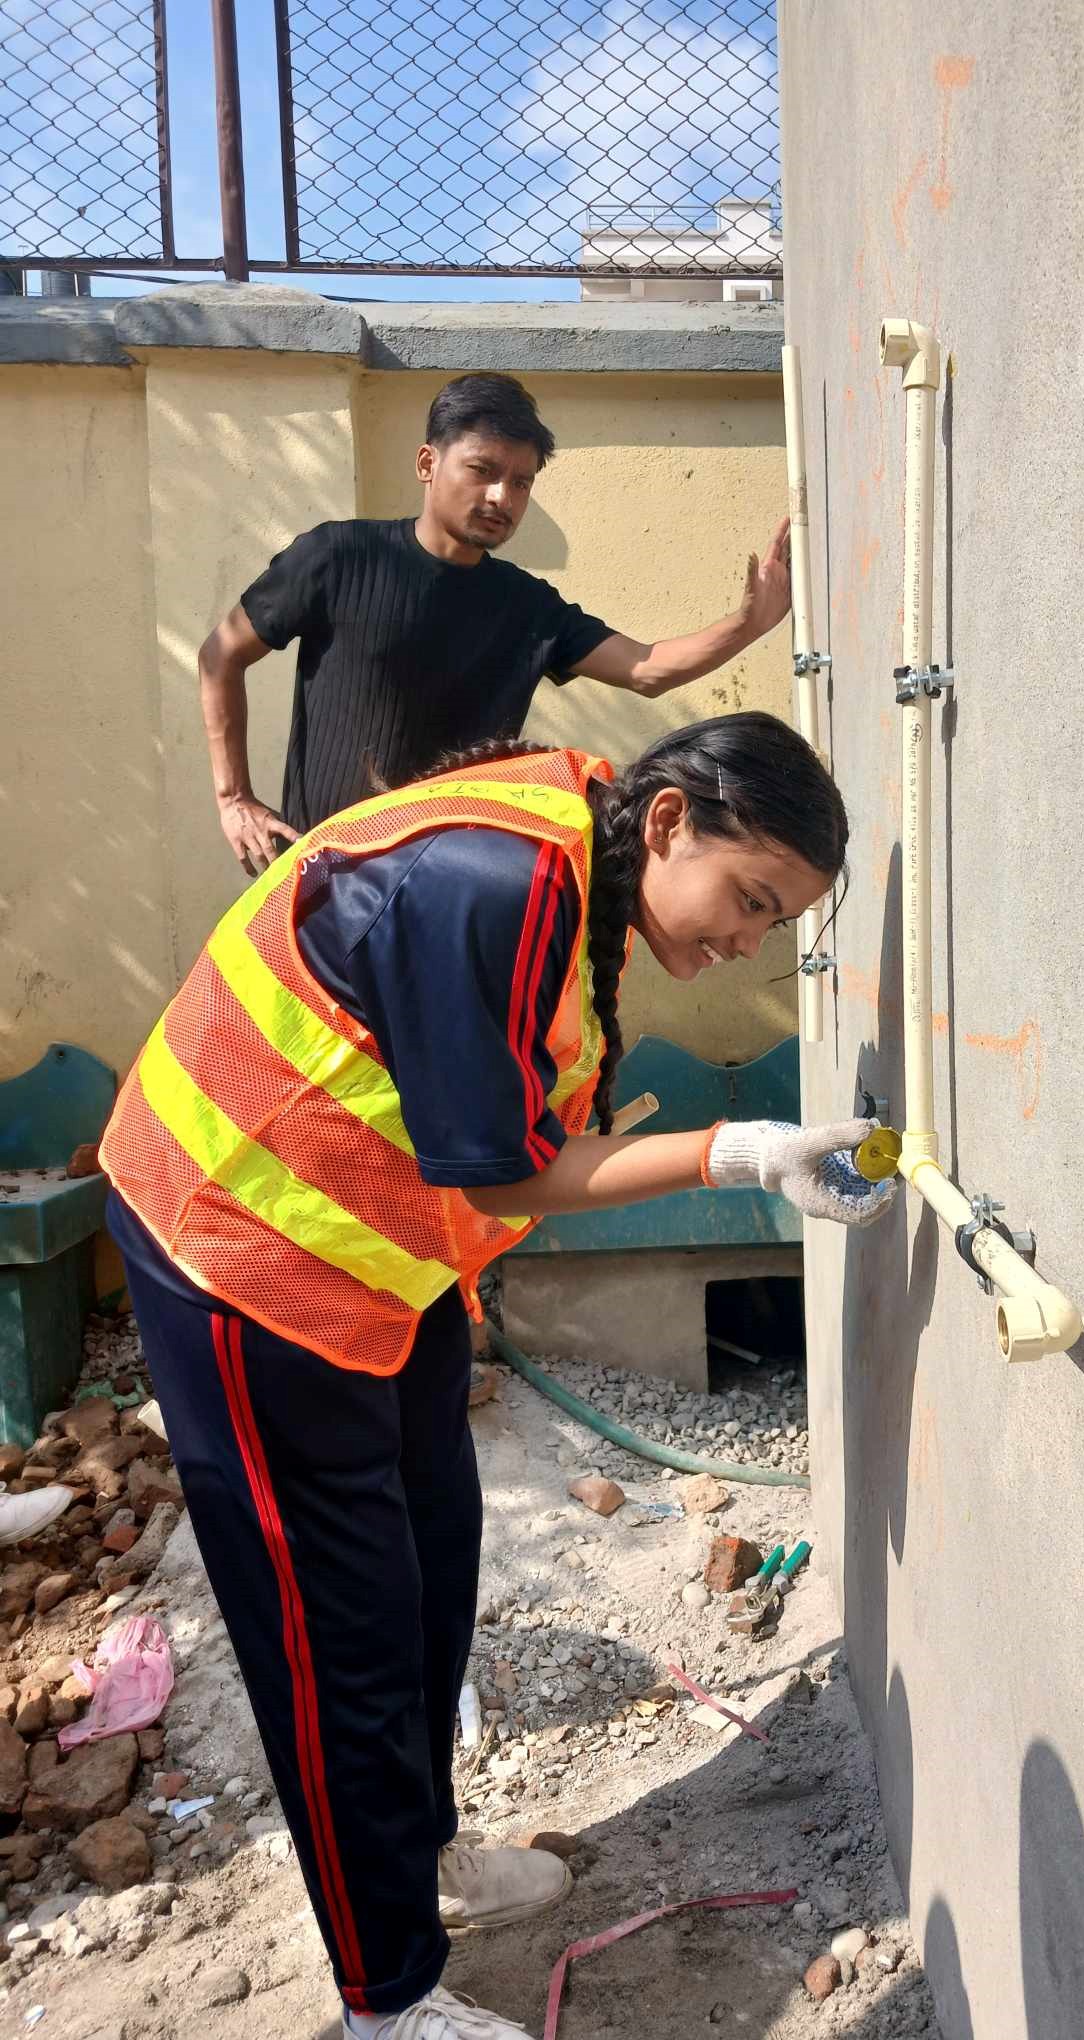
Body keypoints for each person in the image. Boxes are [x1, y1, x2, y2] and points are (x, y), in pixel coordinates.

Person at [98, 711, 891, 2039]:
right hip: (236, 1245)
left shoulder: (585, 851)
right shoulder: (496, 883)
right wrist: (739, 1153)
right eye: (751, 900)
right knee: (340, 1636)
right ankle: (388, 1997)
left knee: (431, 1554)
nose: (747, 942)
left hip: (366, 1249)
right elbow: (507, 1173)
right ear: (670, 822)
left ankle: (414, 1857)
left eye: (776, 923)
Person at [199, 372, 794, 876]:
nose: (501, 497)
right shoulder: (339, 557)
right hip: (322, 884)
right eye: (482, 470)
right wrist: (234, 799)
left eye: (521, 481)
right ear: (428, 463)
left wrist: (747, 625)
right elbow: (221, 655)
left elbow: (646, 669)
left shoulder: (527, 607)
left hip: (455, 890)